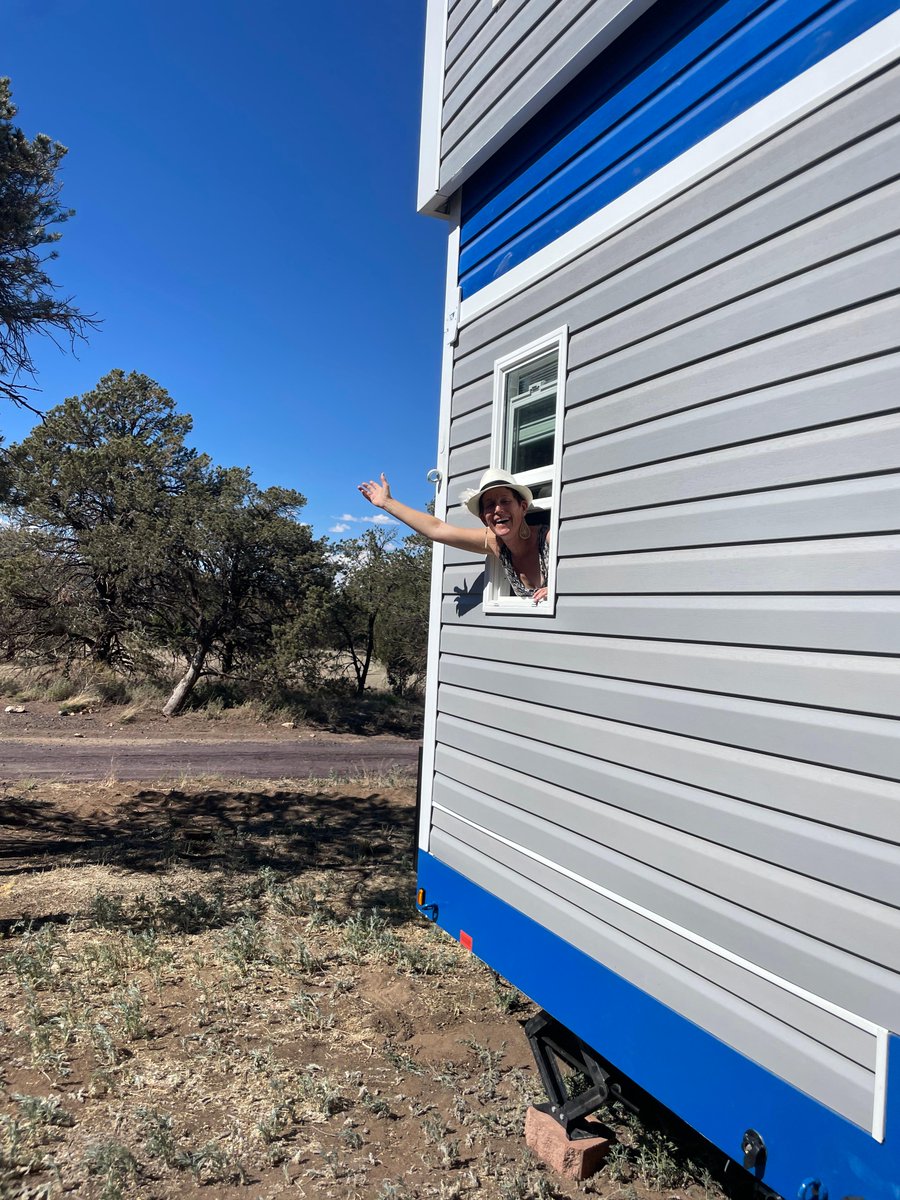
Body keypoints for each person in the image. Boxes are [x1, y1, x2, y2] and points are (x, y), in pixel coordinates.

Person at [358, 468, 549, 603]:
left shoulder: (548, 538)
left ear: (522, 507)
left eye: (505, 501)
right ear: (484, 518)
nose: (498, 509)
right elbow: (438, 529)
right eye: (490, 505)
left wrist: (558, 590)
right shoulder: (495, 543)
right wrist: (387, 503)